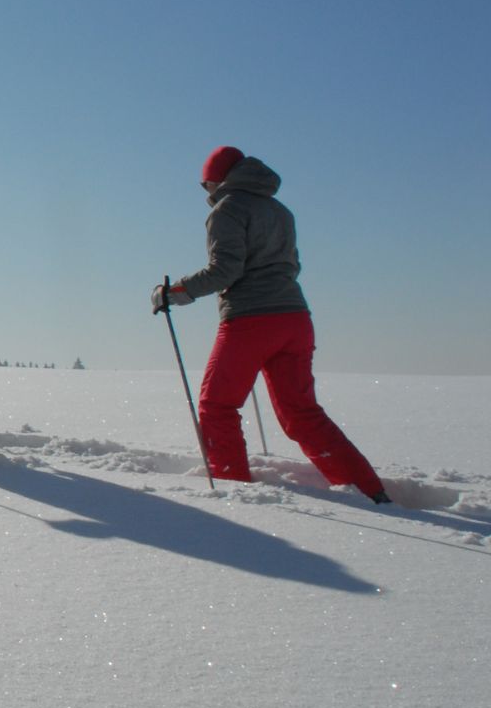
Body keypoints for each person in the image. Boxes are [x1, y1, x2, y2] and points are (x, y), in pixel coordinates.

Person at [153, 146, 389, 503]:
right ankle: (369, 490)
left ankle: (232, 489)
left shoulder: (226, 209)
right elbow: (293, 265)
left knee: (217, 406)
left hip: (251, 321)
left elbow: (225, 269)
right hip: (296, 319)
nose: (206, 191)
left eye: (205, 184)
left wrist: (175, 293)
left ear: (218, 179)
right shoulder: (280, 210)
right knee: (301, 412)